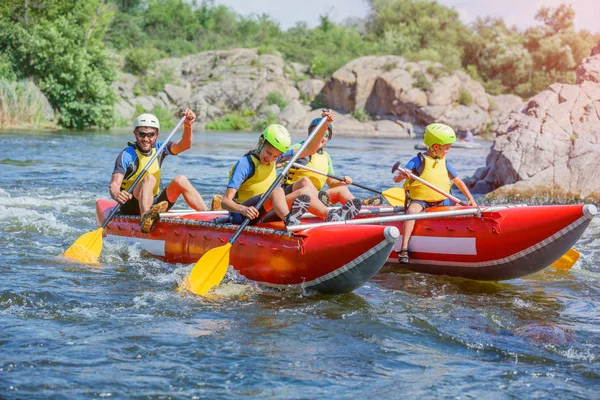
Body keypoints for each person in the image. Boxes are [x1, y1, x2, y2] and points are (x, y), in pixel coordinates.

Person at [222, 111, 362, 227]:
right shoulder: (245, 164)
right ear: (261, 142)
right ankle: (289, 220)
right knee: (277, 191)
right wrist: (243, 209)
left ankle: (329, 216)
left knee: (305, 191)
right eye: (268, 153)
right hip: (243, 216)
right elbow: (226, 201)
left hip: (264, 210)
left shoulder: (277, 158)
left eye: (275, 155)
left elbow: (309, 149)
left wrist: (325, 125)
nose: (270, 158)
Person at [109, 109, 208, 234]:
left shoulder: (160, 148)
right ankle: (146, 219)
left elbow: (185, 145)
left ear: (156, 134)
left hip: (154, 204)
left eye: (151, 135)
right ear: (135, 133)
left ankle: (209, 216)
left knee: (180, 180)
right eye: (142, 134)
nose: (146, 139)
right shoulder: (127, 154)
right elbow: (114, 185)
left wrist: (188, 126)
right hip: (131, 205)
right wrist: (117, 194)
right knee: (149, 178)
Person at [393, 123, 477, 264]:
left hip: (441, 200)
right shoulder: (417, 161)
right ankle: (404, 248)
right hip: (422, 201)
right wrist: (403, 175)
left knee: (459, 205)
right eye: (447, 148)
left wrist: (470, 199)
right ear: (436, 147)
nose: (448, 151)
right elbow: (396, 179)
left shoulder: (445, 163)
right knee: (412, 210)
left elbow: (458, 182)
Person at [283, 117, 384, 207]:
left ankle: (360, 206)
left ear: (328, 139)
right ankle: (321, 204)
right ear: (311, 134)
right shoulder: (298, 149)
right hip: (292, 196)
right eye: (319, 133)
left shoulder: (326, 157)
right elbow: (277, 160)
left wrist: (342, 182)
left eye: (325, 135)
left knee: (342, 189)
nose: (322, 137)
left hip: (315, 198)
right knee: (305, 181)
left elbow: (331, 183)